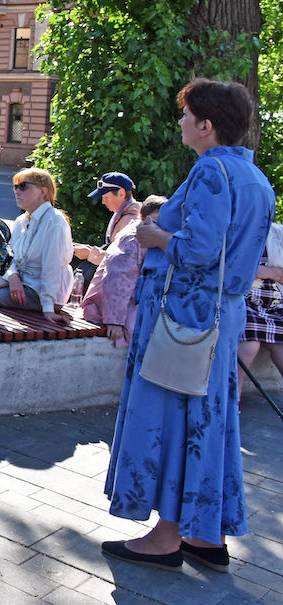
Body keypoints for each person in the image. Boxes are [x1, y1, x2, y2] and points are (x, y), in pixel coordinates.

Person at [103, 79, 274, 573]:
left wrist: (155, 236)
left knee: (173, 417)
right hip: (219, 319)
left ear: (206, 125)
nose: (180, 123)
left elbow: (199, 251)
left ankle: (166, 538)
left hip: (185, 319)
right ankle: (205, 534)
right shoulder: (253, 177)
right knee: (209, 420)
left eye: (186, 116)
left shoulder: (211, 169)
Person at [0, 168, 73, 323]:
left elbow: (52, 267)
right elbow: (10, 256)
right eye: (15, 187)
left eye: (23, 186)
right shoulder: (21, 221)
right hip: (22, 285)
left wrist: (48, 309)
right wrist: (13, 277)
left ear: (42, 191)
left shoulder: (54, 220)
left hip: (42, 293)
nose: (17, 191)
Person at [81, 195, 166, 348]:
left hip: (131, 303)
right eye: (155, 221)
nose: (159, 226)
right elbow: (117, 280)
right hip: (106, 306)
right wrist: (115, 321)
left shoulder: (154, 238)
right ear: (144, 218)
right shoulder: (132, 239)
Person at [239, 221, 283, 402]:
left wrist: (269, 272)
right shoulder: (236, 228)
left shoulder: (278, 232)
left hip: (275, 300)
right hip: (243, 299)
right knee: (249, 346)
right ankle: (233, 400)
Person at [72, 171, 142, 268]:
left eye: (106, 197)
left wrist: (90, 254)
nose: (103, 201)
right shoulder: (122, 214)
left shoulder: (130, 222)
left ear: (121, 193)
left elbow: (124, 261)